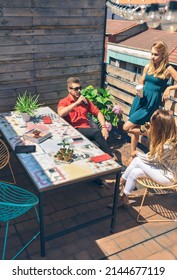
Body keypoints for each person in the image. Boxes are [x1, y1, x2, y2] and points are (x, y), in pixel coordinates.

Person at [110, 109, 177, 208]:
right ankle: (124, 198)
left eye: (152, 124)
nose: (150, 126)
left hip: (168, 176)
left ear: (160, 127)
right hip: (160, 168)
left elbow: (150, 159)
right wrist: (145, 128)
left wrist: (136, 152)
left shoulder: (168, 145)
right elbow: (131, 130)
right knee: (135, 172)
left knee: (137, 160)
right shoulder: (163, 137)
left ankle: (120, 182)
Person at [123, 41, 177, 162]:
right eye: (151, 54)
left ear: (163, 55)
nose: (152, 57)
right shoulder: (148, 66)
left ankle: (149, 133)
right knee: (134, 127)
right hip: (140, 99)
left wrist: (169, 88)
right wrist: (138, 89)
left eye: (156, 54)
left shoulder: (168, 68)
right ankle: (133, 154)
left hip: (151, 103)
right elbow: (142, 82)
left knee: (127, 127)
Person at [57, 77, 116, 186]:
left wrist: (104, 126)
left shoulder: (85, 101)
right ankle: (111, 157)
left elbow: (98, 113)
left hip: (86, 131)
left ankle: (95, 177)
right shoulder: (64, 102)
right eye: (75, 89)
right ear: (69, 89)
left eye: (80, 88)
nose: (78, 91)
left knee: (95, 145)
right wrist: (76, 103)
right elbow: (61, 113)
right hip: (74, 132)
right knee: (96, 132)